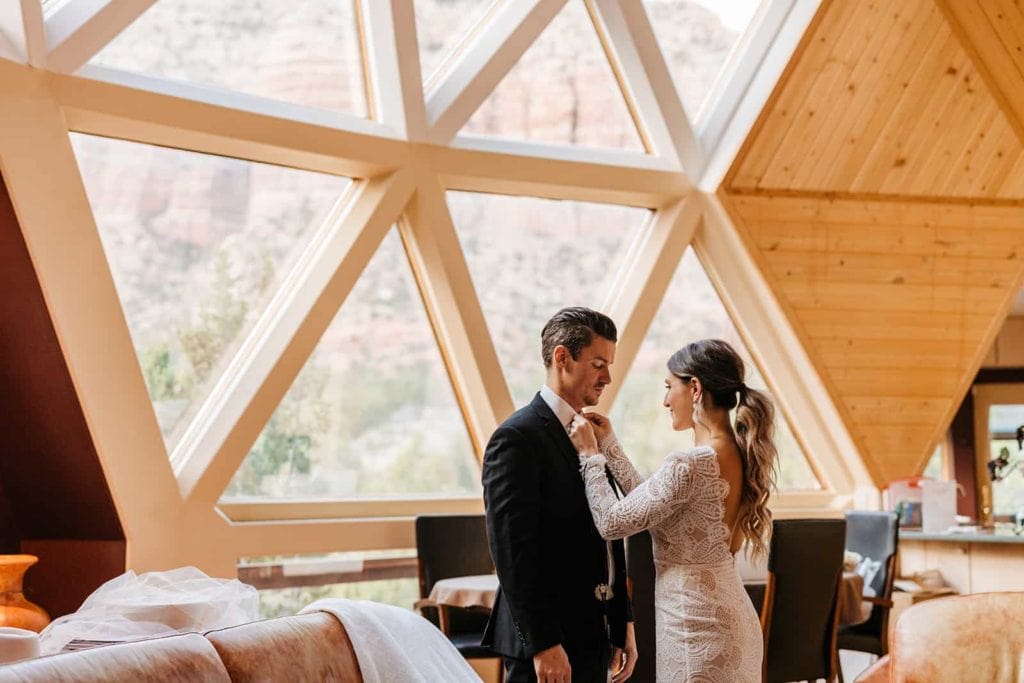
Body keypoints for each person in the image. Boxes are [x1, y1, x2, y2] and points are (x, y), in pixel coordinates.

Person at [569, 339, 774, 682]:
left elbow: (612, 521)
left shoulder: (690, 462)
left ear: (695, 388)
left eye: (669, 387)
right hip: (731, 624)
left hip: (696, 629)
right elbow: (651, 506)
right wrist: (609, 445)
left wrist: (591, 456)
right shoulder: (738, 453)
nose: (665, 401)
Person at [482, 307, 637, 683]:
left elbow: (607, 535)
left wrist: (622, 624)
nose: (608, 377)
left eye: (609, 365)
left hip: (594, 634)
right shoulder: (516, 438)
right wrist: (543, 645)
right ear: (562, 357)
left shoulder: (592, 434)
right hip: (550, 648)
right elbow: (512, 553)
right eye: (598, 364)